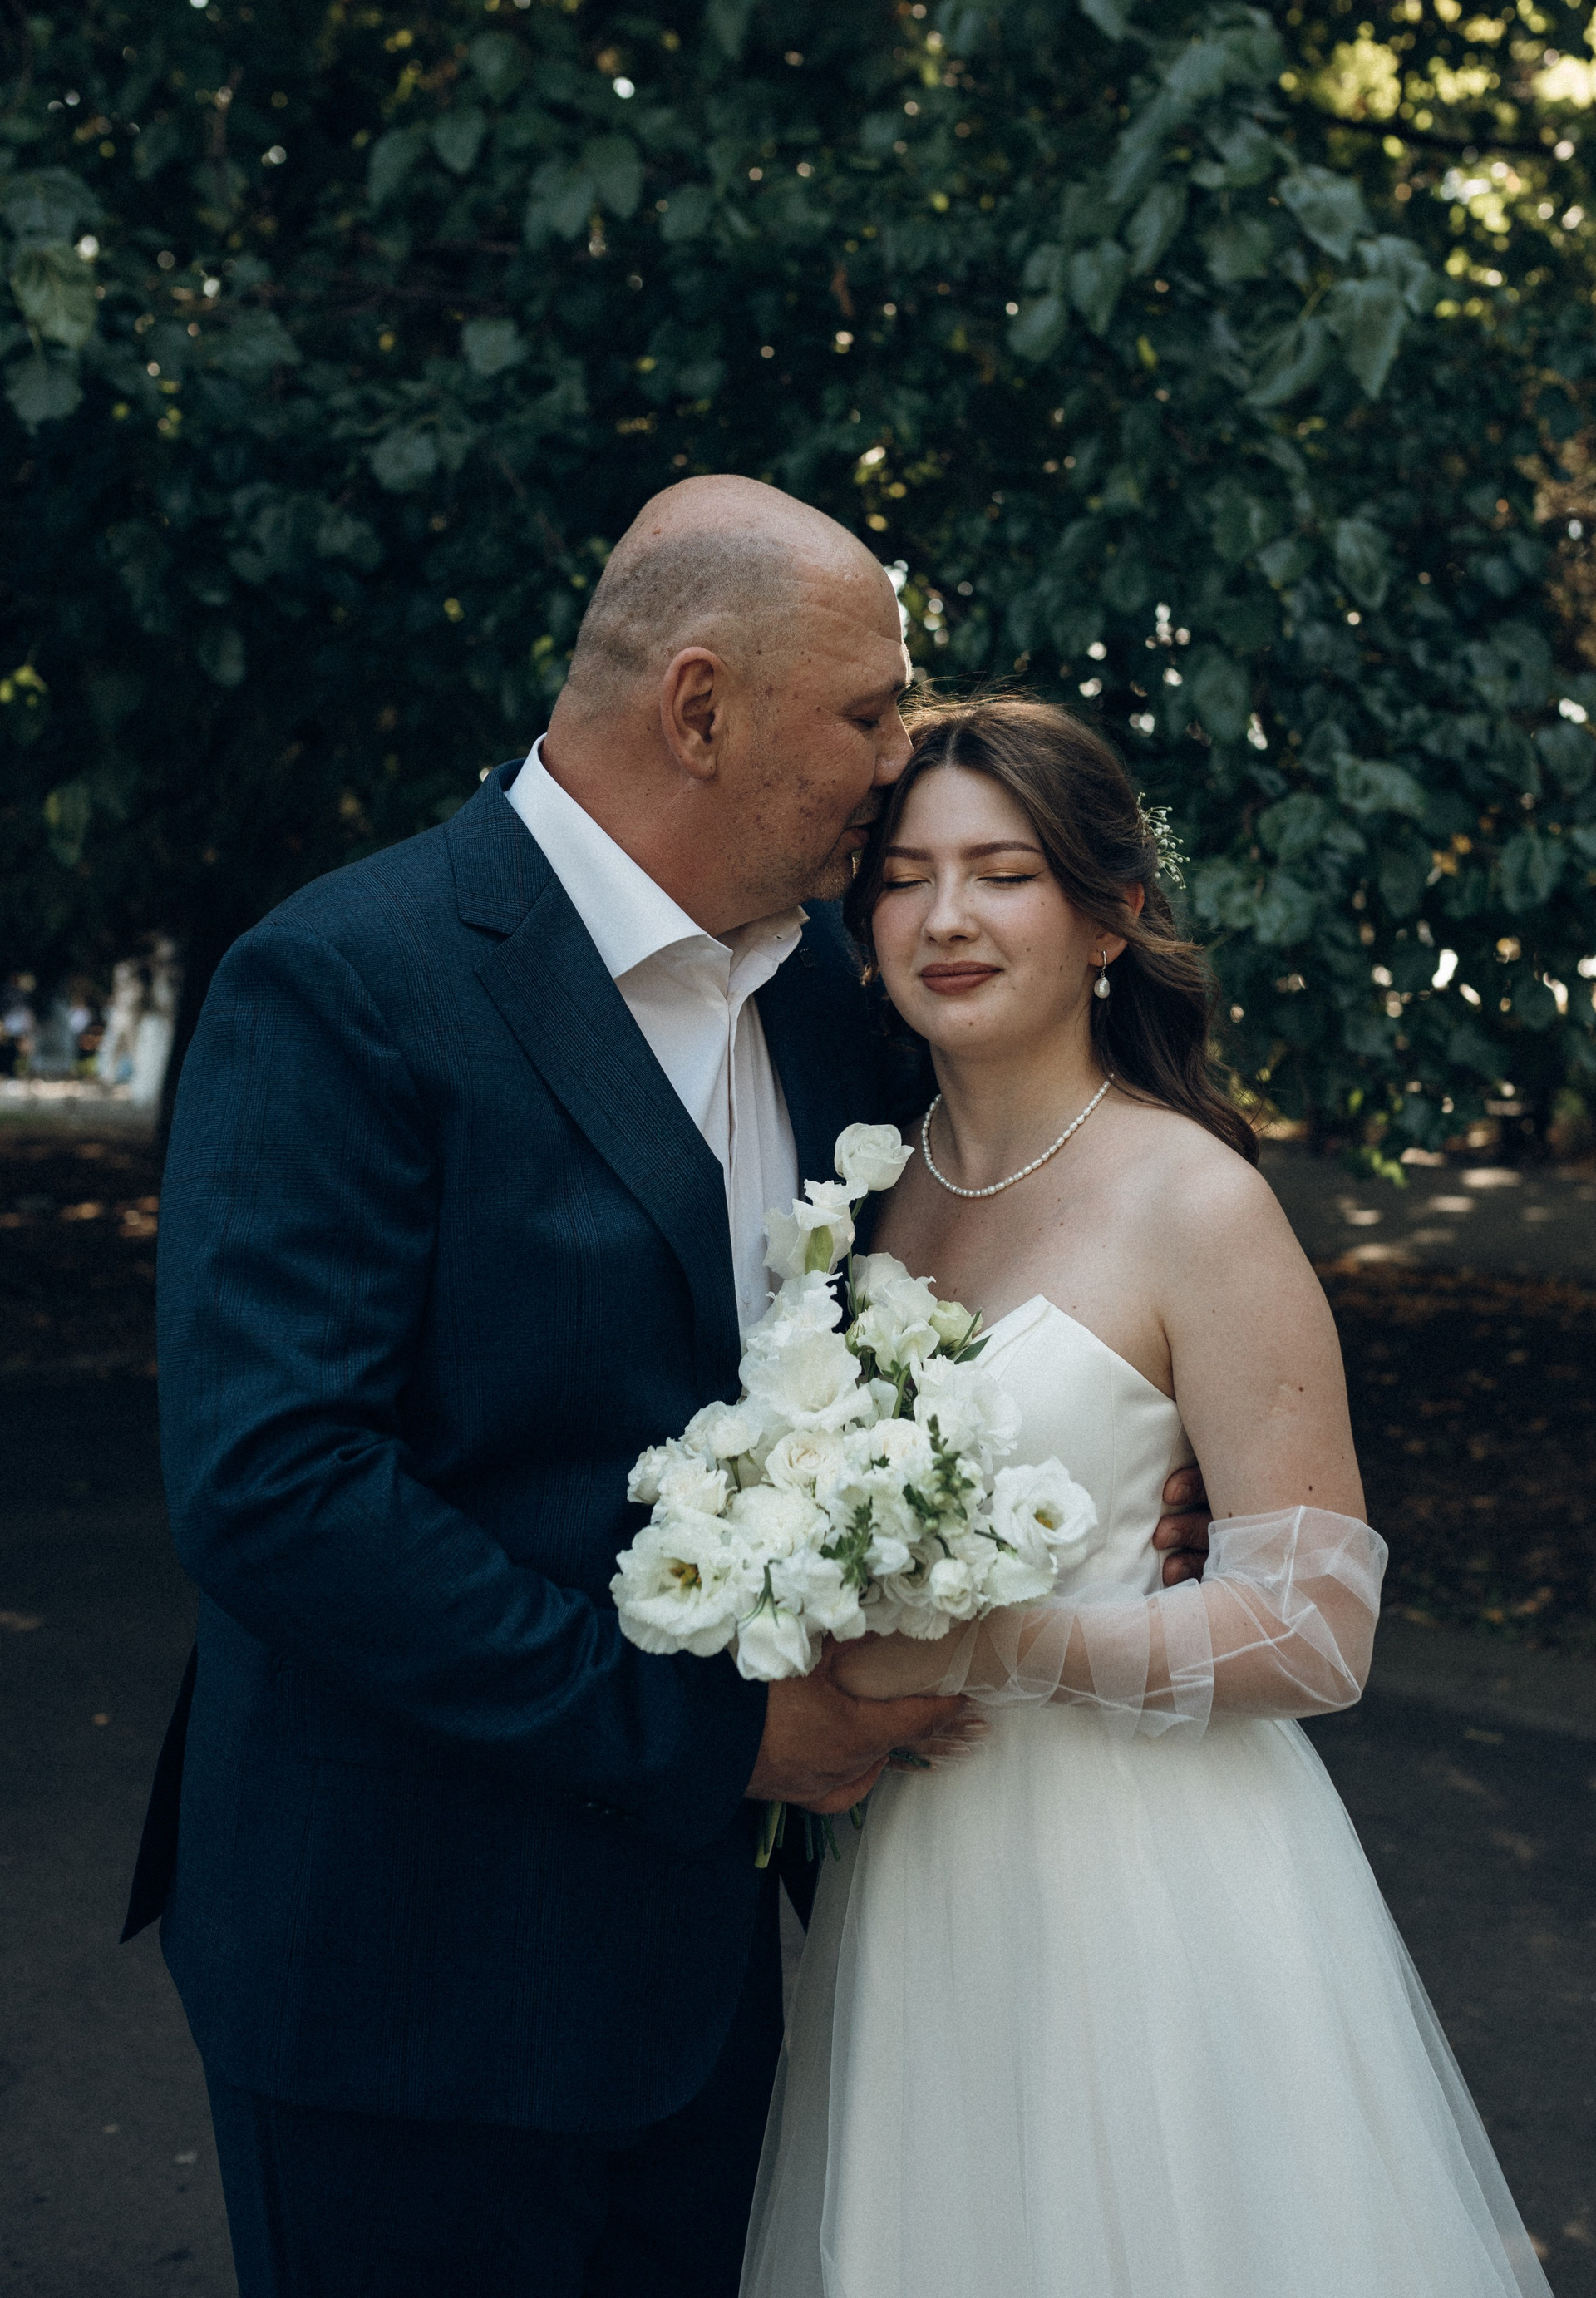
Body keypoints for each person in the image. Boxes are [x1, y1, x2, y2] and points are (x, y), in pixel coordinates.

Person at [123, 486, 1212, 2298]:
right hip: (408, 1975)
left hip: (714, 1986)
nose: (899, 757)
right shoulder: (346, 981)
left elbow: (994, 1269)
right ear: (700, 709)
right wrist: (717, 1740)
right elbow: (276, 1488)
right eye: (866, 711)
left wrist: (1146, 1463)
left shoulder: (834, 1006)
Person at [741, 698, 1551, 2298]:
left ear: (1110, 917)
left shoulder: (1199, 1201)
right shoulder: (858, 1185)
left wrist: (997, 1643)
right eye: (903, 878)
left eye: (1003, 874)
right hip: (915, 1873)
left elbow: (1320, 1628)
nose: (946, 917)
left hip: (1139, 1881)